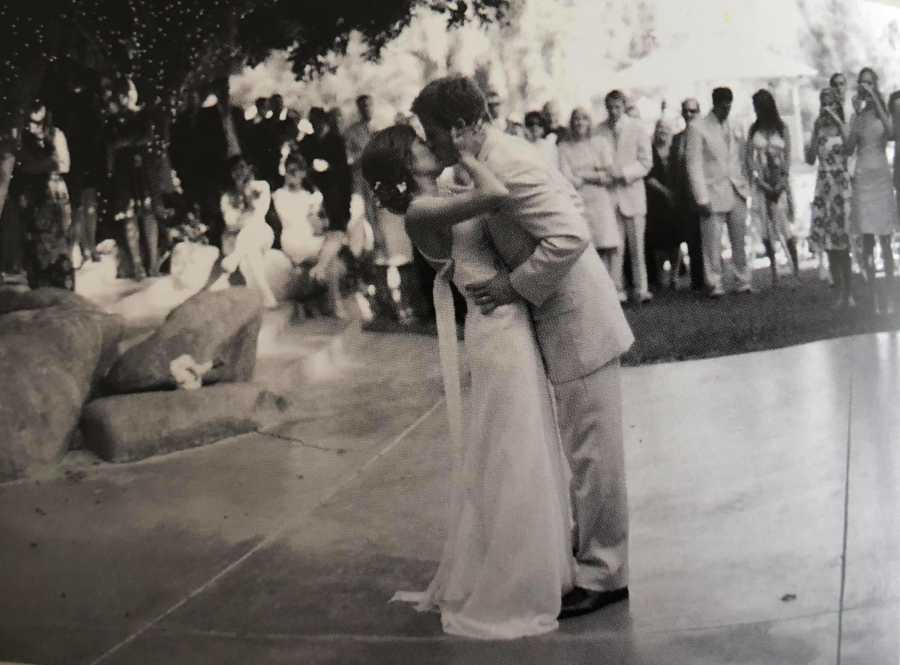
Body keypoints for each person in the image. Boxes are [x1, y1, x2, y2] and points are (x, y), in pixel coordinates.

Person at [413, 75, 634, 621]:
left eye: (434, 132)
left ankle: (606, 574)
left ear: (462, 127)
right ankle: (591, 560)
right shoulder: (488, 161)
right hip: (559, 319)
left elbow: (568, 235)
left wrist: (514, 287)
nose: (431, 143)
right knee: (583, 448)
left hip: (580, 320)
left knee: (592, 451)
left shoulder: (508, 162)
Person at [686, 86, 752, 297]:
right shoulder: (698, 127)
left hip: (736, 187)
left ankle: (743, 280)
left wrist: (745, 182)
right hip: (712, 190)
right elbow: (693, 164)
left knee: (739, 239)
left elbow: (742, 157)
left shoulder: (736, 124)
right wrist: (701, 197)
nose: (726, 109)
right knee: (712, 242)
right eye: (722, 105)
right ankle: (714, 283)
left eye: (729, 104)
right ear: (714, 104)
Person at [846, 67, 897, 314]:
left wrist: (875, 99)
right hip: (863, 177)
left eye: (869, 83)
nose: (864, 87)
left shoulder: (882, 112)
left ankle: (889, 296)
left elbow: (890, 133)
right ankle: (874, 298)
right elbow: (847, 148)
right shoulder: (857, 116)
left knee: (885, 240)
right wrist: (855, 115)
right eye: (861, 83)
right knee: (867, 240)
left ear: (875, 85)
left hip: (881, 178)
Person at [595, 89, 653, 303]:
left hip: (633, 194)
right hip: (609, 196)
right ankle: (616, 289)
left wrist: (625, 173)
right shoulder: (598, 130)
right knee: (614, 246)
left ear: (624, 106)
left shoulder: (637, 128)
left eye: (617, 107)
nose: (613, 111)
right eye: (609, 107)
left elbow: (646, 162)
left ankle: (641, 288)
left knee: (637, 246)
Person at [12, 99, 75, 290]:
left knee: (58, 238)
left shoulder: (56, 134)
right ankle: (39, 284)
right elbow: (20, 165)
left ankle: (62, 285)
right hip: (32, 194)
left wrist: (39, 166)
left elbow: (64, 164)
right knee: (35, 240)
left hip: (54, 192)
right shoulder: (20, 137)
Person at [104, 78, 159, 279]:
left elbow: (147, 136)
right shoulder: (113, 119)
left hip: (142, 169)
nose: (125, 97)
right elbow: (112, 143)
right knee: (128, 216)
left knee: (148, 213)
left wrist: (126, 142)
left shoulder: (143, 114)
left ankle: (153, 263)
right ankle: (137, 265)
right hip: (123, 171)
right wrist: (130, 141)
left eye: (127, 91)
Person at [806, 87, 854, 308]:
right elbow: (809, 158)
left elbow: (849, 146)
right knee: (830, 243)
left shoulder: (843, 127)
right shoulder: (820, 130)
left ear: (837, 104)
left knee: (844, 243)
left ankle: (849, 292)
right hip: (824, 185)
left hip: (841, 185)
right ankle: (838, 291)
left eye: (830, 102)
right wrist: (815, 132)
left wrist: (835, 116)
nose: (826, 106)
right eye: (823, 102)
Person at [746, 89, 799, 285]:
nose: (757, 111)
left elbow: (788, 156)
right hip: (762, 183)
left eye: (759, 107)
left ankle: (795, 268)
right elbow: (749, 159)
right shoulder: (754, 130)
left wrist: (782, 181)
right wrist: (759, 181)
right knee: (766, 229)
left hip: (780, 182)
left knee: (785, 226)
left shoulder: (781, 127)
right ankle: (774, 269)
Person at [557, 107, 619, 274]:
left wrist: (583, 175)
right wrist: (595, 174)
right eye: (576, 118)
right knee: (586, 246)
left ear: (589, 122)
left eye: (584, 118)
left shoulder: (599, 143)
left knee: (606, 244)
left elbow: (609, 175)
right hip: (578, 201)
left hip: (600, 200)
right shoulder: (564, 147)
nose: (580, 122)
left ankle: (613, 287)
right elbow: (568, 179)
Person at [212, 155, 278, 308]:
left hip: (262, 233)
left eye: (242, 167)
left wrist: (246, 193)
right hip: (234, 238)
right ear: (230, 174)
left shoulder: (262, 186)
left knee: (252, 230)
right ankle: (267, 297)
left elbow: (260, 214)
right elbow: (230, 224)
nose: (239, 172)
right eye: (235, 170)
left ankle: (235, 258)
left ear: (249, 168)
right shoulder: (227, 196)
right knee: (251, 250)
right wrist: (246, 216)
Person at [670, 98, 705, 291]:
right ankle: (696, 279)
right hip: (683, 196)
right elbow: (675, 169)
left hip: (702, 193)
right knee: (691, 239)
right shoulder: (677, 138)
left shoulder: (703, 134)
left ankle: (709, 276)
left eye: (693, 111)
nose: (689, 115)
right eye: (686, 111)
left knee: (706, 237)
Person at [645, 118, 681, 290]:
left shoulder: (676, 149)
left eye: (666, 128)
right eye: (659, 128)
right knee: (658, 242)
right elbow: (648, 175)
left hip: (676, 202)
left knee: (675, 242)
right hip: (656, 202)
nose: (662, 131)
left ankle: (674, 275)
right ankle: (660, 275)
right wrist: (665, 192)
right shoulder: (650, 150)